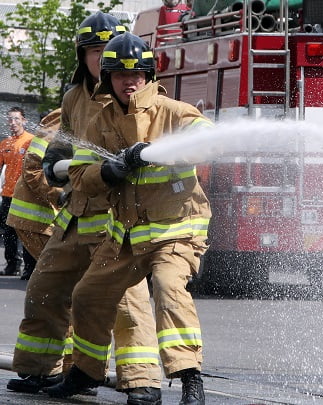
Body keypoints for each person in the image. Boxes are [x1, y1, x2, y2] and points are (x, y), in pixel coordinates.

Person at [46, 32, 213, 405]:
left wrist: (154, 152)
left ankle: (190, 378)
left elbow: (208, 138)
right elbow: (77, 175)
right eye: (121, 75)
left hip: (175, 233)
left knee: (170, 290)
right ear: (107, 79)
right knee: (87, 296)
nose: (130, 80)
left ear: (150, 74)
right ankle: (85, 372)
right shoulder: (100, 121)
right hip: (125, 235)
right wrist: (109, 171)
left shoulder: (173, 112)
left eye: (138, 72)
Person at [8, 13, 163, 405]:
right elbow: (63, 151)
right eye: (96, 50)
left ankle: (141, 382)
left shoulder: (136, 95)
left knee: (126, 302)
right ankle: (44, 370)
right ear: (84, 55)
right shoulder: (74, 98)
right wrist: (53, 165)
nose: (104, 56)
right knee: (45, 289)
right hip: (76, 214)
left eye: (109, 48)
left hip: (118, 217)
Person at [6, 109, 65, 280]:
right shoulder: (65, 116)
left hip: (58, 218)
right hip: (39, 217)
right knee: (60, 278)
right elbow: (33, 169)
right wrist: (60, 196)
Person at [0, 107, 35, 276]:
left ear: (24, 120)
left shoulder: (31, 141)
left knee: (26, 232)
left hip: (25, 196)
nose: (13, 123)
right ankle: (12, 265)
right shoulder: (5, 143)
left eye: (16, 119)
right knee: (8, 233)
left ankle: (29, 268)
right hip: (7, 195)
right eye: (10, 120)